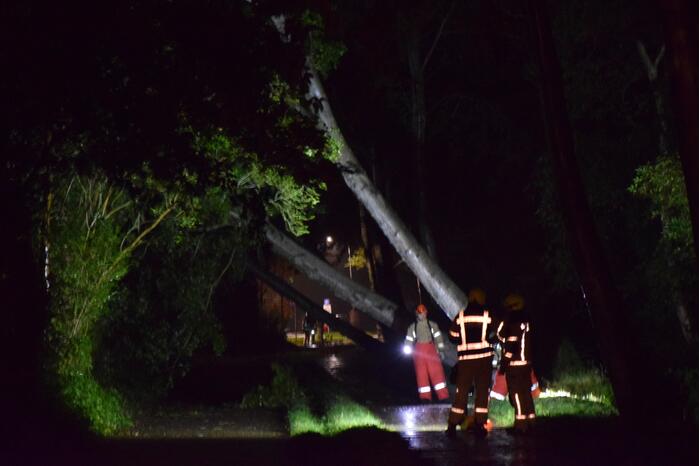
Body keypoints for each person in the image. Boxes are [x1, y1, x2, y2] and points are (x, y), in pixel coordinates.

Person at [446, 288, 495, 437]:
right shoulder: (487, 315)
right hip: (484, 360)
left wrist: (463, 339)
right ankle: (480, 425)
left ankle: (452, 425)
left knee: (461, 392)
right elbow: (498, 333)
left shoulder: (461, 316)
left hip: (466, 361)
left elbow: (452, 336)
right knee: (482, 392)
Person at [496, 293, 536, 433]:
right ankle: (531, 423)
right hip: (526, 364)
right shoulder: (526, 321)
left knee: (517, 395)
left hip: (514, 365)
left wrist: (503, 365)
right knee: (526, 394)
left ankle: (520, 426)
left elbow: (510, 346)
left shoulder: (512, 323)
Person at [403, 304, 449, 402]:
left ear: (426, 313)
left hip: (431, 350)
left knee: (437, 373)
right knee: (421, 375)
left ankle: (443, 396)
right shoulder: (412, 327)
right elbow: (409, 339)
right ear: (417, 314)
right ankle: (425, 397)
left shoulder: (432, 325)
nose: (422, 315)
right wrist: (407, 348)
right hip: (418, 352)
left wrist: (441, 350)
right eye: (420, 313)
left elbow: (438, 338)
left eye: (424, 313)